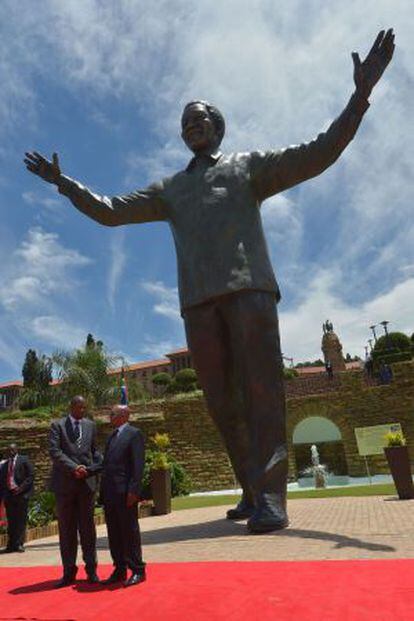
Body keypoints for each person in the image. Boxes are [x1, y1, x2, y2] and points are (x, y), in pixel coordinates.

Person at [24, 30, 395, 533]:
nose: (192, 126)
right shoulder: (171, 189)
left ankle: (272, 499)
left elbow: (319, 152)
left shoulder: (249, 168)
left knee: (263, 394)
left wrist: (359, 96)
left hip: (250, 293)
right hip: (198, 302)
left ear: (218, 128)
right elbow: (110, 212)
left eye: (200, 119)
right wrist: (65, 184)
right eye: (185, 123)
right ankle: (250, 489)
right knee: (222, 402)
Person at [49, 395, 102, 587]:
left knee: (88, 530)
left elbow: (94, 451)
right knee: (67, 531)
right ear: (71, 407)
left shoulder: (90, 425)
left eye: (84, 408)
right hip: (65, 486)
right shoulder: (58, 426)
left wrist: (98, 463)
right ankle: (68, 573)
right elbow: (55, 452)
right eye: (79, 408)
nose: (82, 411)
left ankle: (92, 571)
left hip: (86, 485)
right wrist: (74, 468)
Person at [97, 405, 146, 587]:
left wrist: (134, 491)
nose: (109, 417)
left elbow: (138, 465)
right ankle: (119, 569)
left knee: (129, 532)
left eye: (112, 414)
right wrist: (87, 470)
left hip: (126, 493)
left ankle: (138, 570)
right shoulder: (112, 436)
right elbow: (106, 464)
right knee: (114, 533)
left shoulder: (134, 434)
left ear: (124, 415)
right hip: (110, 493)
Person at [0, 444, 34, 553]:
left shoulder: (24, 460)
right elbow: (2, 481)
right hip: (9, 496)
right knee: (11, 521)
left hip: (21, 494)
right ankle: (11, 545)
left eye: (13, 449)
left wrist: (21, 489)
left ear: (16, 449)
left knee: (20, 520)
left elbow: (31, 476)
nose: (11, 451)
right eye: (9, 449)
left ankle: (19, 544)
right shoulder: (5, 465)